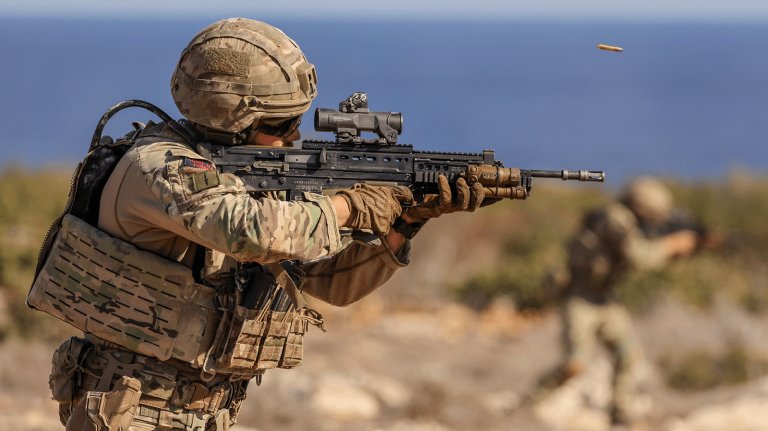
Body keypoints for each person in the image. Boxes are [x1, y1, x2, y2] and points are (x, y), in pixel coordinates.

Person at [28, 18, 487, 431]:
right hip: (130, 407)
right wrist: (351, 206)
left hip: (205, 411)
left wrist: (402, 222)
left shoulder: (249, 177)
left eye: (297, 121)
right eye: (282, 123)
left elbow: (331, 284)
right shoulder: (159, 168)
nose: (294, 137)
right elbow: (250, 232)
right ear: (233, 118)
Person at [538, 176, 699, 426]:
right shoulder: (617, 220)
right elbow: (638, 256)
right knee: (575, 364)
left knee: (628, 355)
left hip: (605, 299)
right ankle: (532, 400)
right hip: (581, 298)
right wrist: (670, 246)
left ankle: (620, 412)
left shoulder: (628, 220)